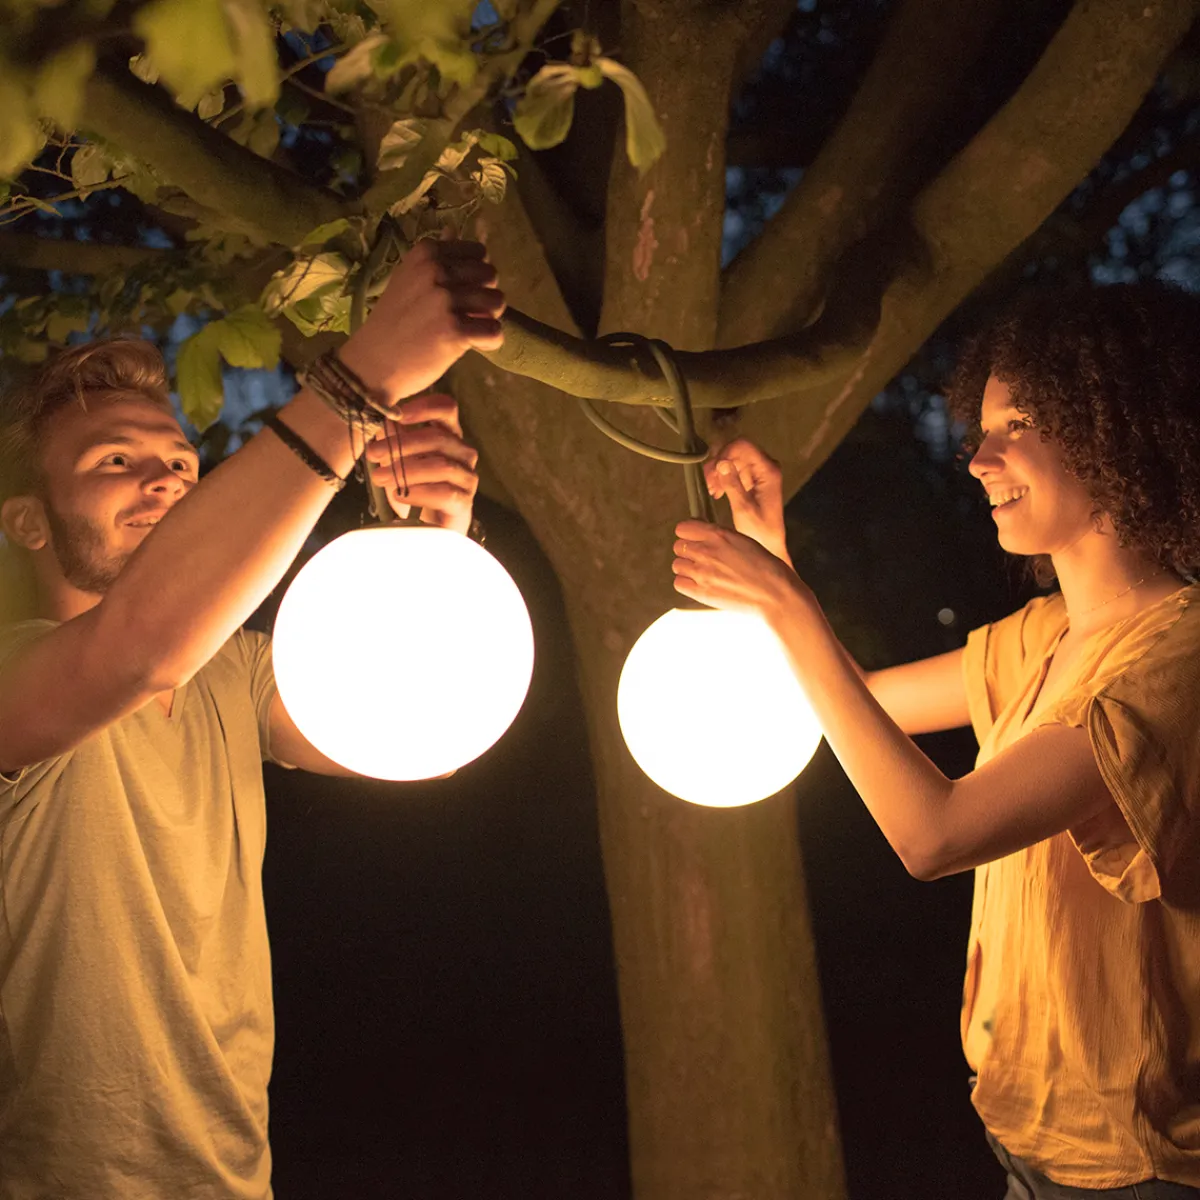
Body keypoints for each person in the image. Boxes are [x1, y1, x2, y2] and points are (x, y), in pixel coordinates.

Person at [671, 280, 1200, 1198]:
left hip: (1137, 1172)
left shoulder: (1177, 663)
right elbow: (853, 706)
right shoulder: (1041, 637)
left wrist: (786, 605)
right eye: (980, 429)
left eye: (1019, 424)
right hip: (1025, 1146)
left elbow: (936, 835)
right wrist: (773, 550)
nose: (978, 458)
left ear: (1115, 427)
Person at [0, 238, 504, 1198]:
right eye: (115, 461)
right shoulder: (13, 676)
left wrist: (433, 535)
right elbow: (135, 650)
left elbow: (419, 739)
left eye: (181, 463)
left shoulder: (238, 676)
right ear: (29, 521)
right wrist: (361, 382)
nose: (164, 482)